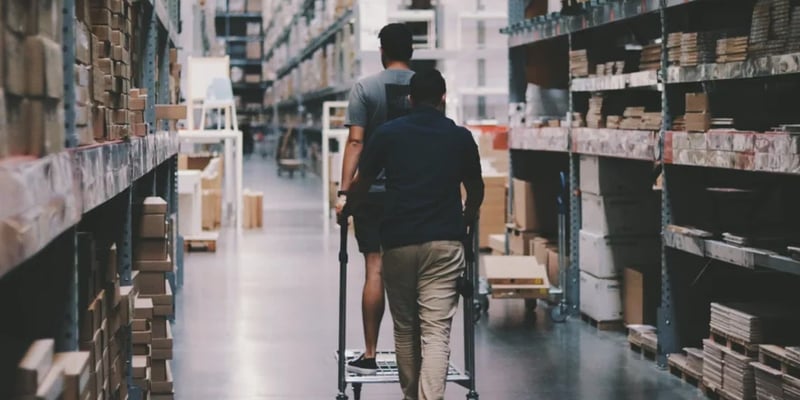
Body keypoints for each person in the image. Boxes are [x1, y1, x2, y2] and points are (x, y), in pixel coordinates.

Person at [349, 69, 485, 400]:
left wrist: (347, 207)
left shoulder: (387, 134)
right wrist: (465, 218)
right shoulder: (460, 137)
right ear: (443, 98)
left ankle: (412, 397)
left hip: (398, 242)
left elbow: (362, 182)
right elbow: (476, 189)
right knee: (436, 332)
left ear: (410, 100)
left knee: (406, 328)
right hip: (444, 241)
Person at [335, 23, 416, 375]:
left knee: (375, 269)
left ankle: (370, 354)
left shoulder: (365, 88)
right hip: (412, 193)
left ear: (382, 50)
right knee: (412, 272)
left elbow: (356, 142)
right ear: (411, 51)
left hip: (372, 193)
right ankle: (411, 353)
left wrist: (343, 192)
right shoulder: (426, 87)